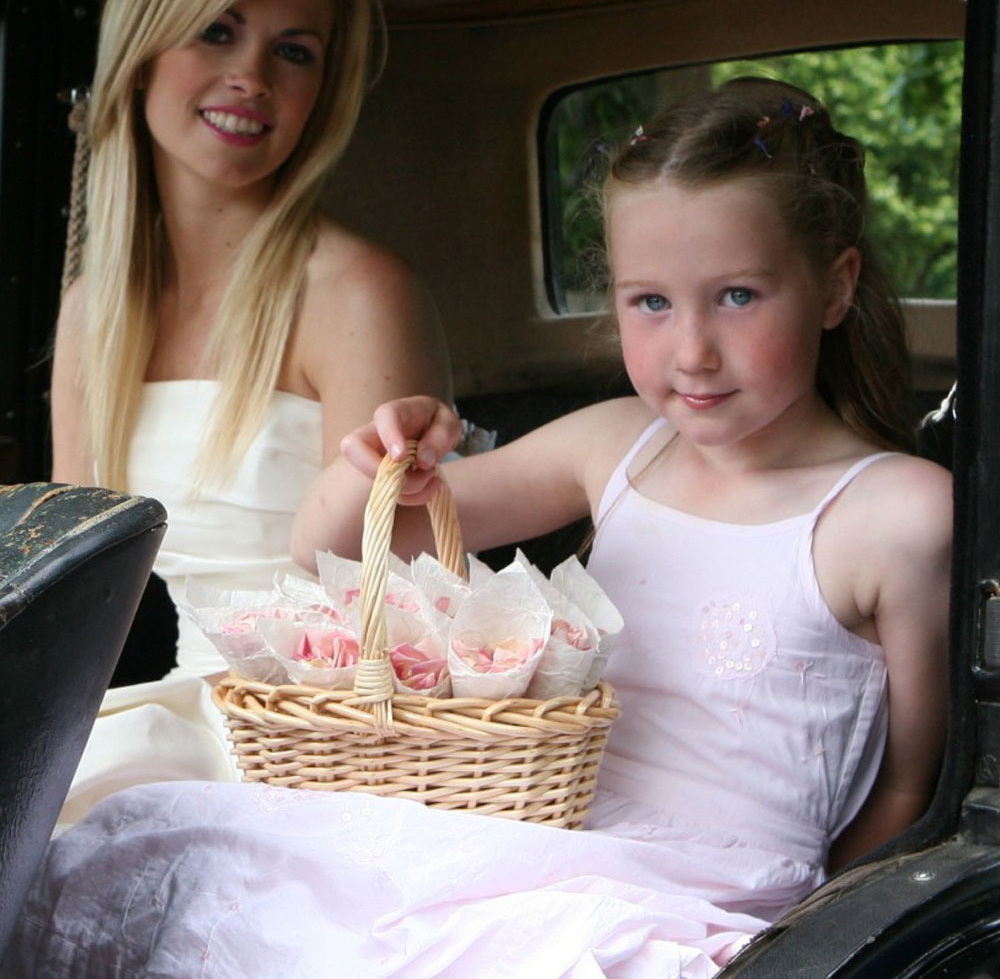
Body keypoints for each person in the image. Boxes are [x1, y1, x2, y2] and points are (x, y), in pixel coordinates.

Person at [10, 78, 951, 979]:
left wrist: (805, 944)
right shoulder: (621, 445)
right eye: (650, 303)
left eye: (739, 296)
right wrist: (383, 459)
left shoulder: (897, 514)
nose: (692, 351)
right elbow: (329, 549)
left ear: (835, 288)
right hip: (538, 847)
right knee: (163, 844)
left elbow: (910, 793)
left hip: (711, 894)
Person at [47, 0, 452, 825]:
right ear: (144, 49)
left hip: (299, 744)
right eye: (218, 31)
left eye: (294, 52)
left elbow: (401, 617)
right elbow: (70, 602)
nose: (252, 79)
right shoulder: (88, 311)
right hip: (117, 726)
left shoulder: (357, 295)